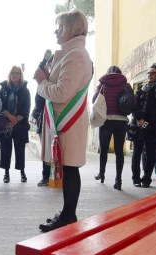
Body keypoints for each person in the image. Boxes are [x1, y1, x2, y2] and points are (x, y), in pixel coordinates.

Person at [34, 9, 93, 232]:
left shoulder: (76, 55)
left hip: (68, 122)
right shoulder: (71, 53)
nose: (56, 31)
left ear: (71, 28)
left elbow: (61, 93)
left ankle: (69, 215)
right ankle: (67, 213)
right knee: (68, 168)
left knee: (70, 168)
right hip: (66, 122)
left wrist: (41, 82)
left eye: (59, 27)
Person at [130, 63, 156, 187]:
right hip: (139, 125)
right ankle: (136, 178)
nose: (150, 75)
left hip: (153, 126)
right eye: (148, 73)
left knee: (151, 152)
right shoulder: (141, 88)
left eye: (153, 73)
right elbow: (134, 105)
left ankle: (146, 178)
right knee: (137, 152)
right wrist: (139, 119)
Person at [92, 65, 132, 190]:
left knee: (103, 149)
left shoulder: (103, 83)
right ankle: (118, 181)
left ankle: (102, 174)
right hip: (121, 122)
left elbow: (94, 99)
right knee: (119, 151)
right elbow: (133, 101)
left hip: (106, 121)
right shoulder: (125, 84)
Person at [0, 66, 31, 183]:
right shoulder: (3, 89)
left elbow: (26, 108)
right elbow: (0, 106)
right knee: (5, 150)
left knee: (20, 150)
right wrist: (9, 116)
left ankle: (22, 172)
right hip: (6, 124)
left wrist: (16, 119)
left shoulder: (25, 90)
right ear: (10, 74)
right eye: (13, 73)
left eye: (17, 73)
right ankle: (6, 173)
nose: (15, 75)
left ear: (20, 75)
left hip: (20, 125)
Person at [31, 93, 50, 186]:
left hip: (58, 125)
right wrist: (41, 117)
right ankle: (46, 177)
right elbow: (36, 109)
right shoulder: (42, 88)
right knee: (46, 152)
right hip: (44, 127)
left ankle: (58, 176)